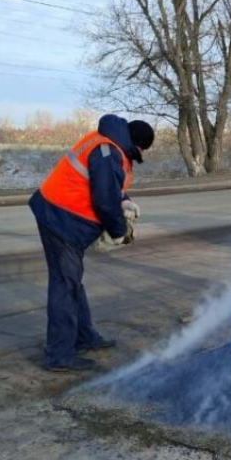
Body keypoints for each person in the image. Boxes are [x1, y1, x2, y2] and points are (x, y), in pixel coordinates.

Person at [29, 114, 154, 372]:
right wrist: (119, 231)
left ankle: (84, 337)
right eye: (141, 151)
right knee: (65, 283)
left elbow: (110, 187)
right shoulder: (108, 151)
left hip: (60, 214)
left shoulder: (108, 144)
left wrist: (125, 200)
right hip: (60, 219)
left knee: (72, 279)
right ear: (137, 144)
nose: (139, 156)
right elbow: (105, 200)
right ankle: (59, 355)